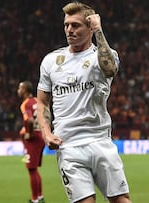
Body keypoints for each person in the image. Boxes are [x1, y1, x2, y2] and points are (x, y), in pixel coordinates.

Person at [36, 2, 131, 203]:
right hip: (68, 146)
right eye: (67, 25)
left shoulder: (102, 56)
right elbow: (42, 101)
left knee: (120, 200)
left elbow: (111, 69)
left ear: (89, 27)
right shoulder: (51, 61)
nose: (70, 30)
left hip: (100, 141)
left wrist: (99, 30)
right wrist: (46, 132)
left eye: (76, 25)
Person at [17, 81, 46, 203]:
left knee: (31, 169)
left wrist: (29, 132)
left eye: (20, 88)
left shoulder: (25, 104)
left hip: (34, 139)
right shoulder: (36, 101)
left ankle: (35, 199)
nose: (18, 90)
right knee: (34, 169)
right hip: (42, 135)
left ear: (25, 90)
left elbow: (29, 120)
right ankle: (39, 196)